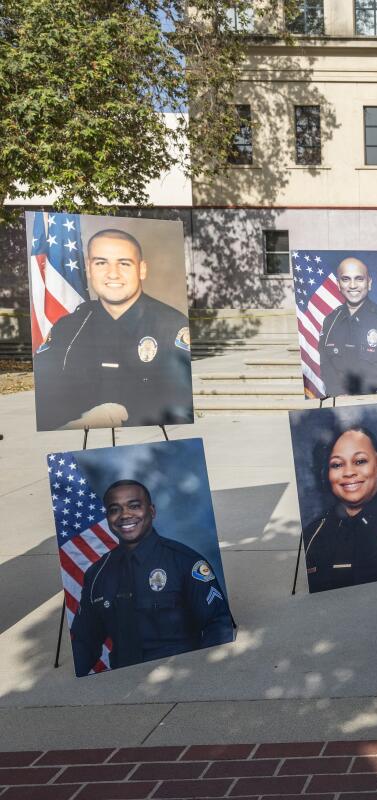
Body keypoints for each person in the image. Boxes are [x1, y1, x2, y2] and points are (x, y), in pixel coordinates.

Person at [71, 480, 235, 677]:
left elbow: (217, 625)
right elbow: (84, 641)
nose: (125, 515)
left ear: (152, 511)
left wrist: (206, 675)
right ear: (107, 518)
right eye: (115, 509)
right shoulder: (97, 573)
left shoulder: (185, 562)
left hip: (180, 675)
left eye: (134, 506)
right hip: (122, 680)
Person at [34, 229, 192, 431]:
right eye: (101, 263)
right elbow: (44, 394)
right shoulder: (68, 328)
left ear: (142, 269)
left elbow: (182, 411)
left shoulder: (171, 326)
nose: (113, 273)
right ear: (89, 269)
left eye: (124, 263)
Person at [302, 425, 377, 593]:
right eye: (337, 464)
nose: (349, 472)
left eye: (360, 461)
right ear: (327, 473)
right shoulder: (313, 536)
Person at [317, 257, 377, 398]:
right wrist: (337, 393)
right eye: (346, 279)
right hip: (340, 403)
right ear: (338, 284)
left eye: (359, 279)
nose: (353, 285)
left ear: (369, 282)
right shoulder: (330, 321)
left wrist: (374, 397)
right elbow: (326, 364)